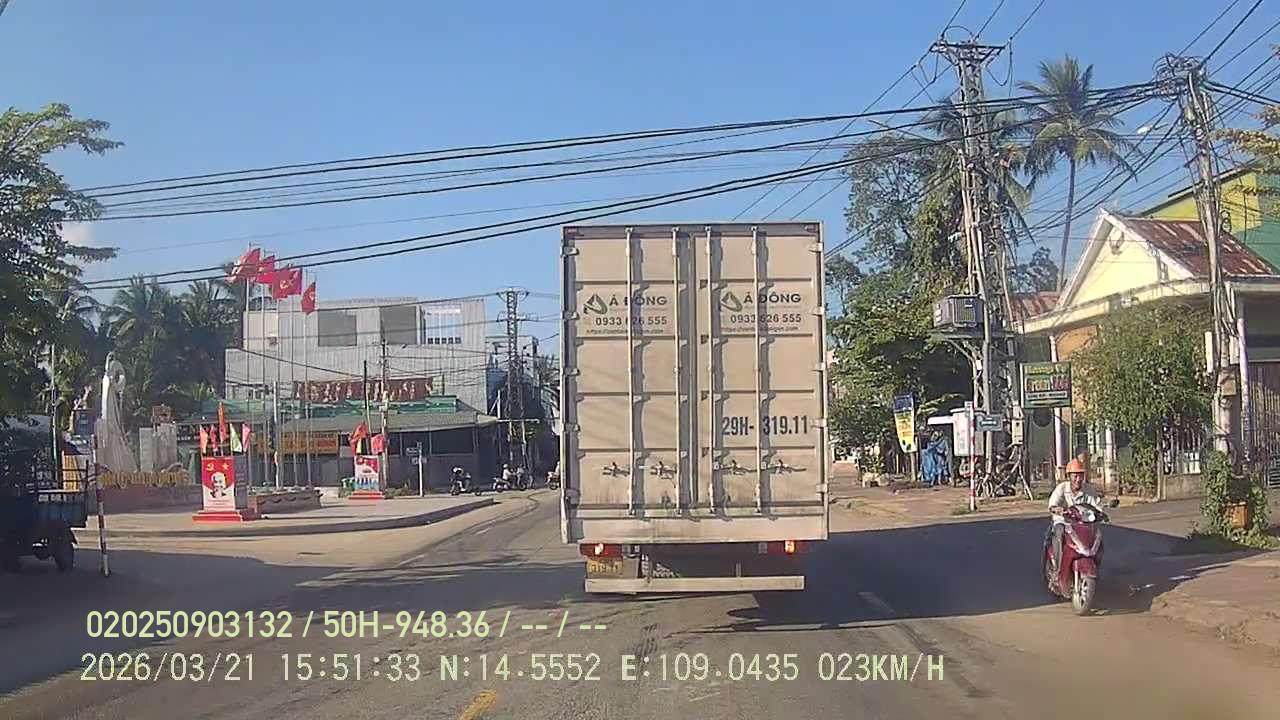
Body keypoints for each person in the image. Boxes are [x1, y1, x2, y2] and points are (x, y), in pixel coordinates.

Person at [1045, 458, 1104, 573]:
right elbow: (1052, 505)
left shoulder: (1088, 489)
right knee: (1059, 532)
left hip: (1082, 523)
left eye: (1081, 476)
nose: (1078, 479)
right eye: (1075, 476)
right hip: (1063, 521)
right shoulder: (1062, 488)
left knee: (1097, 536)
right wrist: (1058, 509)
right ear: (1069, 476)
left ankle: (1095, 564)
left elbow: (1097, 505)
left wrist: (1101, 513)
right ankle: (1057, 567)